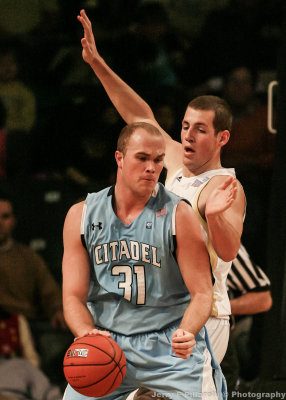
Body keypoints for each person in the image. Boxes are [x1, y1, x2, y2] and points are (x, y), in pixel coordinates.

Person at [77, 9, 246, 364]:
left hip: (204, 316)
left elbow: (229, 251)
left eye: (200, 129)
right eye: (185, 126)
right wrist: (97, 63)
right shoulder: (177, 162)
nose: (187, 135)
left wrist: (215, 218)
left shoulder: (225, 185)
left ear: (222, 137)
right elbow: (139, 116)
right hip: (163, 313)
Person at [62, 121, 227, 400]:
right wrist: (86, 332)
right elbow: (72, 297)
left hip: (168, 346)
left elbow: (202, 292)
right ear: (120, 158)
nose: (152, 167)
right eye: (142, 158)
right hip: (108, 343)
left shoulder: (178, 214)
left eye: (158, 160)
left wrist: (187, 331)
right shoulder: (81, 216)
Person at [222, 245, 272, 391]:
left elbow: (263, 298)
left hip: (211, 346)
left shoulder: (213, 235)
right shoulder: (156, 233)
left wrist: (212, 308)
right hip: (161, 341)